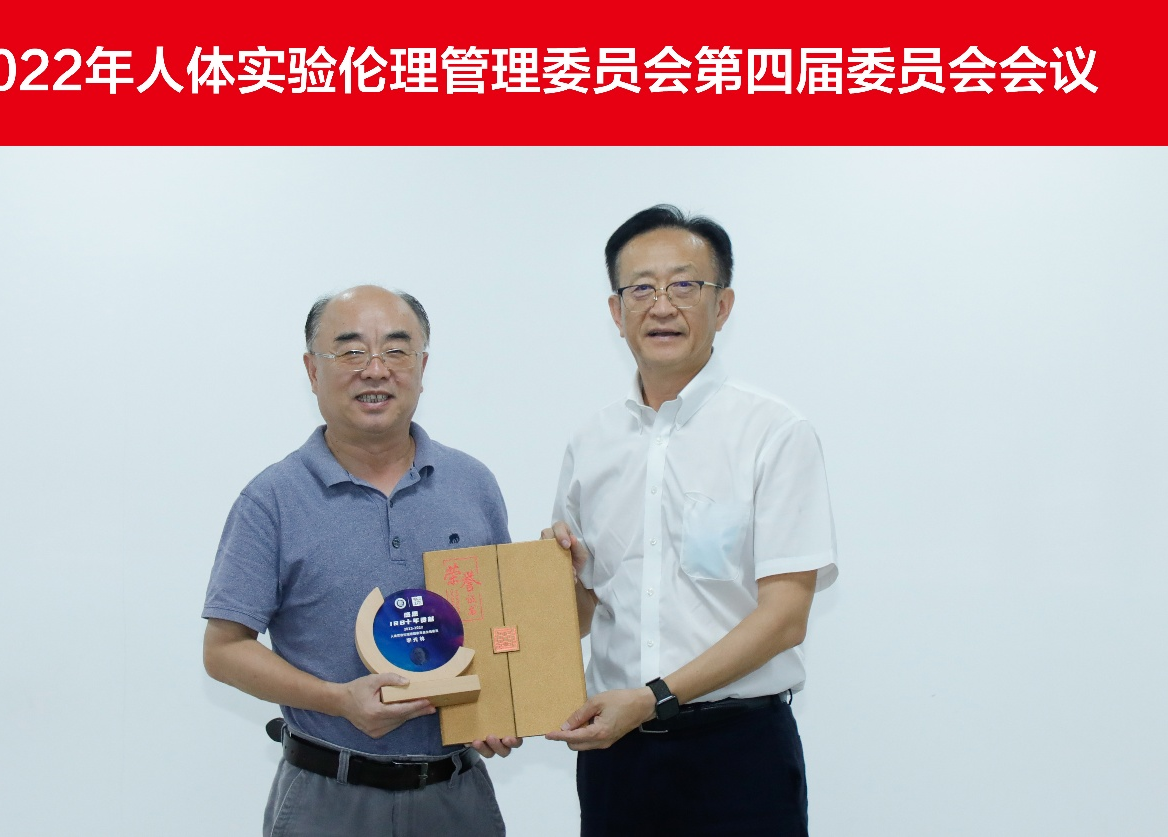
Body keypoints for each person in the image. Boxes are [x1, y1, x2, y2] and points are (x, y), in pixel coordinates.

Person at [544, 206, 839, 836]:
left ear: (722, 305)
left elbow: (785, 617)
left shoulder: (773, 433)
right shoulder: (591, 443)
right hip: (616, 758)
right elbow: (587, 609)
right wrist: (553, 581)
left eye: (684, 285)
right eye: (640, 288)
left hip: (739, 753)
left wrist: (653, 697)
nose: (661, 306)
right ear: (615, 311)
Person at [203, 285, 519, 837]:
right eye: (351, 351)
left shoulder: (472, 484)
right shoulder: (272, 499)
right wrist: (337, 701)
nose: (376, 369)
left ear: (422, 366)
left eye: (396, 350)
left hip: (456, 796)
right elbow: (223, 650)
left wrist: (505, 704)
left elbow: (500, 628)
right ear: (312, 370)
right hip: (327, 797)